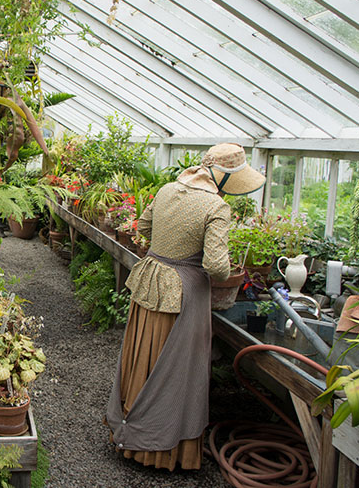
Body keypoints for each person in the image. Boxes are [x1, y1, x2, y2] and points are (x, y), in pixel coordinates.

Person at [106, 143, 265, 471]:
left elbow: (144, 227)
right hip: (183, 294)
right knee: (176, 369)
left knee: (143, 358)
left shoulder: (166, 190)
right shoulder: (216, 207)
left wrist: (166, 248)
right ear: (222, 178)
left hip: (151, 279)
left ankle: (131, 435)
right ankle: (161, 450)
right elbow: (217, 266)